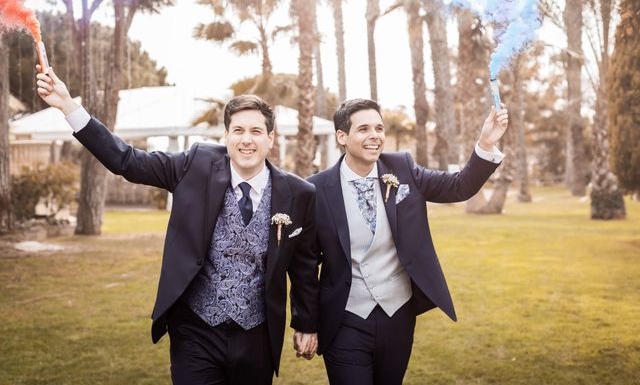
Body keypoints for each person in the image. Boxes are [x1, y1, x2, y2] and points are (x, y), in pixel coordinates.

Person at [36, 65, 318, 384]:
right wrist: (68, 107)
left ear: (270, 138)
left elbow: (304, 266)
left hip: (256, 337)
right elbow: (125, 160)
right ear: (226, 136)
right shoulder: (194, 164)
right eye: (238, 130)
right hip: (195, 331)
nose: (246, 140)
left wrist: (306, 322)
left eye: (256, 131)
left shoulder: (299, 194)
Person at [307, 98, 508, 385]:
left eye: (379, 128)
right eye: (363, 129)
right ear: (342, 136)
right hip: (345, 318)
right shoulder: (316, 188)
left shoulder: (402, 168)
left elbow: (459, 186)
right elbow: (305, 264)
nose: (374, 135)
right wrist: (306, 323)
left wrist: (485, 143)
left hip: (397, 314)